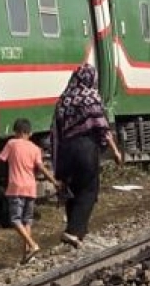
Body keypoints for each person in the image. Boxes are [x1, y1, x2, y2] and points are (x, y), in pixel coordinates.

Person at [51, 64, 124, 247]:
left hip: (65, 150)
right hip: (85, 148)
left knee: (71, 189)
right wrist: (115, 151)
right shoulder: (90, 97)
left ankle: (77, 231)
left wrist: (57, 161)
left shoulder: (63, 99)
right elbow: (102, 127)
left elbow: (56, 131)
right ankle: (73, 231)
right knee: (89, 189)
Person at [0, 118, 58, 265]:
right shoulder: (35, 149)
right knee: (27, 221)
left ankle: (32, 245)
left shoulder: (11, 144)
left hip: (16, 188)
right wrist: (54, 181)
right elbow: (41, 168)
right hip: (31, 188)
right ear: (30, 133)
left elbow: (0, 160)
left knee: (15, 220)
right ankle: (26, 255)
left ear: (16, 132)